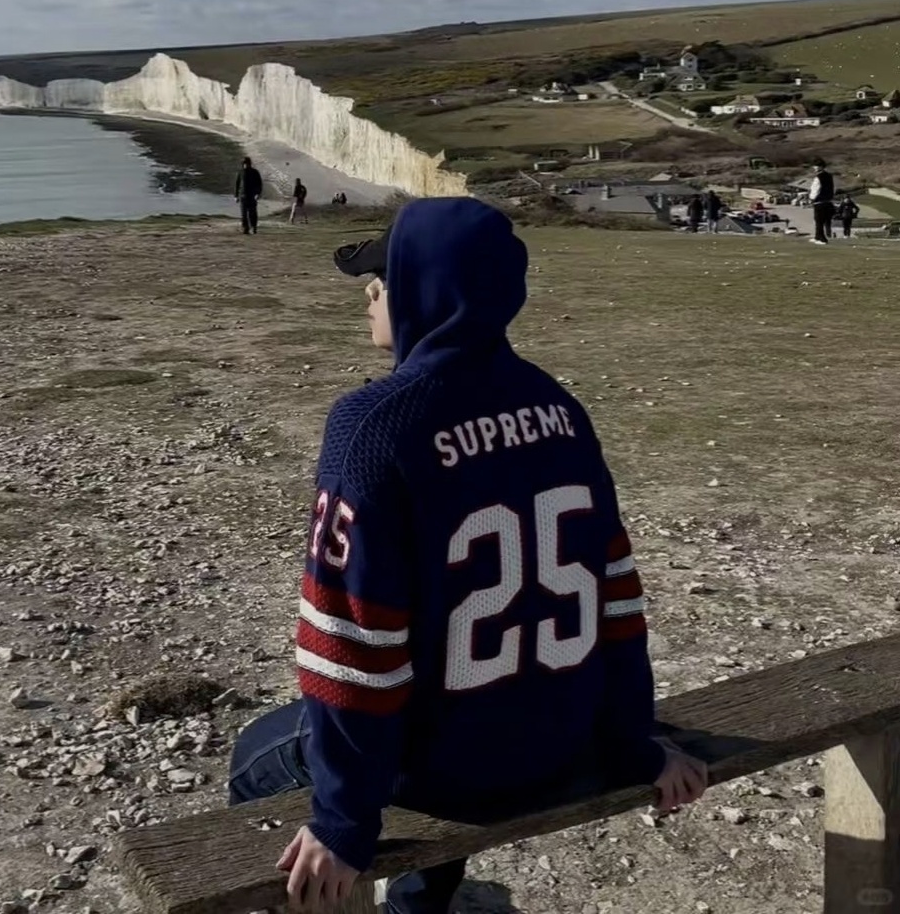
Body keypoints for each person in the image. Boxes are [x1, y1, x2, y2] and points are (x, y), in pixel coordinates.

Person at [226, 198, 708, 914]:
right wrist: (636, 744)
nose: (369, 294)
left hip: (444, 770)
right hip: (557, 742)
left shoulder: (372, 427)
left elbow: (351, 648)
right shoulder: (559, 408)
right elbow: (616, 598)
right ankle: (421, 902)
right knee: (459, 690)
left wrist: (342, 821)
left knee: (253, 759)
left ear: (424, 291)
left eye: (383, 280)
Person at [234, 156, 263, 235]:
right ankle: (245, 228)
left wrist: (258, 194)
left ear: (250, 164)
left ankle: (254, 227)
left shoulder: (255, 172)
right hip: (242, 195)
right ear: (242, 164)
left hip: (252, 196)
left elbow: (259, 184)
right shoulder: (240, 172)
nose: (246, 165)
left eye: (247, 163)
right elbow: (237, 184)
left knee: (252, 213)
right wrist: (236, 196)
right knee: (243, 214)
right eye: (244, 163)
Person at [809, 159, 835, 245]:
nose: (814, 168)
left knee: (819, 221)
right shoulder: (829, 176)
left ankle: (822, 238)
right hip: (827, 200)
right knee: (822, 220)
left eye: (816, 166)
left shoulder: (819, 177)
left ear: (820, 167)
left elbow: (815, 189)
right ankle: (817, 236)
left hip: (819, 201)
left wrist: (811, 198)